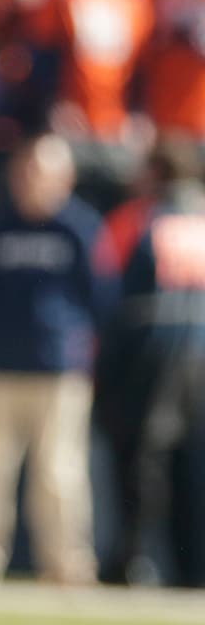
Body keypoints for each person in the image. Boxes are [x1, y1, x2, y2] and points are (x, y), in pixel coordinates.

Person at [0, 132, 116, 587]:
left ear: (65, 179)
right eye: (25, 171)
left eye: (41, 172)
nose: (30, 181)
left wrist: (84, 356)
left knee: (60, 472)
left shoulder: (80, 228)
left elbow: (101, 300)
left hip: (59, 369)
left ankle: (67, 564)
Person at [94, 138, 205, 587]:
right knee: (193, 463)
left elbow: (104, 287)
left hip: (145, 356)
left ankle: (133, 561)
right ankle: (193, 567)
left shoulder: (135, 219)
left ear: (155, 174)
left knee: (139, 460)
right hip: (199, 354)